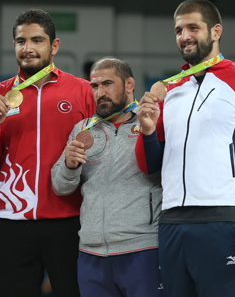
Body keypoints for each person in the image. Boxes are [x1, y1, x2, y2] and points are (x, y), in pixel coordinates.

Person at [135, 0, 235, 297]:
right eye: (179, 30)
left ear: (216, 31)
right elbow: (149, 166)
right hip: (172, 221)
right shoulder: (170, 89)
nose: (184, 36)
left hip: (224, 219)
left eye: (193, 27)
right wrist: (148, 132)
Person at [0, 9, 96, 297]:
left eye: (37, 40)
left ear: (54, 46)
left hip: (69, 220)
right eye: (20, 41)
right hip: (14, 223)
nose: (27, 48)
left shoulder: (83, 92)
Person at [51, 57, 163, 297]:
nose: (100, 92)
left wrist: (149, 131)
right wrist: (69, 165)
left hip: (142, 248)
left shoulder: (154, 122)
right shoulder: (83, 129)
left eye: (107, 84)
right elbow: (60, 187)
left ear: (129, 84)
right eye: (94, 86)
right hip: (91, 254)